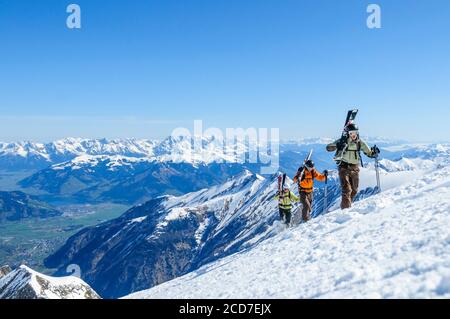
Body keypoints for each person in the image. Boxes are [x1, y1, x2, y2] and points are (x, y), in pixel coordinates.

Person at [326, 123, 380, 209]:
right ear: (348, 134)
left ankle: (347, 204)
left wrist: (374, 153)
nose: (353, 135)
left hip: (355, 168)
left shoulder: (360, 143)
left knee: (354, 190)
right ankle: (345, 210)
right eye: (351, 133)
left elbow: (369, 152)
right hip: (343, 167)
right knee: (347, 189)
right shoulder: (342, 141)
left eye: (355, 132)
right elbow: (328, 148)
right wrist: (337, 145)